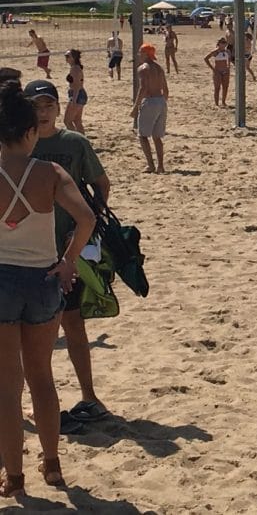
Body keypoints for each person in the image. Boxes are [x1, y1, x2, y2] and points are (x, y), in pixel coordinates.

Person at [0, 80, 96, 497]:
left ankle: (14, 476)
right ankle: (53, 465)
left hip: (2, 278)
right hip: (42, 279)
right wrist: (69, 261)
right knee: (42, 377)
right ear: (31, 131)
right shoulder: (50, 172)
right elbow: (87, 217)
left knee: (7, 384)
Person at [26, 79, 113, 436]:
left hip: (68, 250)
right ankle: (39, 404)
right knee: (33, 336)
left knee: (73, 325)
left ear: (58, 108)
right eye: (36, 106)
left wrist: (89, 221)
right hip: (30, 250)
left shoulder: (74, 144)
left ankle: (89, 396)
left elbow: (101, 183)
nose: (43, 112)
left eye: (48, 105)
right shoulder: (18, 145)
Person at [130, 44, 168, 174]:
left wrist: (135, 107)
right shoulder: (159, 68)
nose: (138, 55)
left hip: (150, 101)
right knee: (157, 137)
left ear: (146, 54)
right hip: (161, 101)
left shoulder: (143, 68)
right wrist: (162, 104)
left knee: (142, 135)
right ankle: (161, 166)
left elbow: (143, 88)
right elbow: (166, 90)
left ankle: (151, 165)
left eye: (140, 52)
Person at [204, 37, 232, 108]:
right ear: (219, 44)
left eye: (224, 43)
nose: (223, 44)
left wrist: (228, 66)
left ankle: (223, 102)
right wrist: (213, 69)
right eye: (222, 43)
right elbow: (206, 58)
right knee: (217, 87)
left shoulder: (227, 51)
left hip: (225, 71)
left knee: (225, 87)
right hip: (217, 71)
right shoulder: (215, 52)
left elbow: (229, 59)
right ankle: (216, 103)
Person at [62, 50, 86, 134]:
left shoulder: (75, 69)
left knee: (67, 121)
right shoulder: (75, 67)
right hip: (80, 95)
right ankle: (83, 142)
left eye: (68, 56)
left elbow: (77, 86)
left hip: (77, 95)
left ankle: (77, 141)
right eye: (65, 56)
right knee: (77, 121)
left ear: (73, 58)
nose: (66, 58)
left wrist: (74, 100)